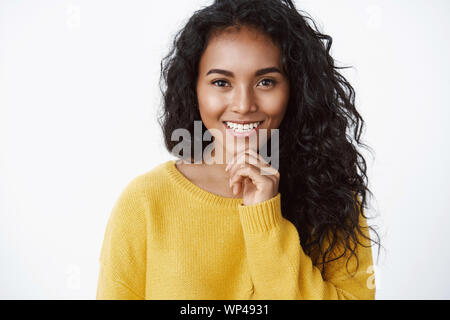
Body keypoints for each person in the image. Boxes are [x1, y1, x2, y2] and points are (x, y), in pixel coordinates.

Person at [96, 0, 381, 300]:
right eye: (221, 82)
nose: (244, 105)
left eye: (266, 82)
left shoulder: (331, 199)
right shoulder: (144, 202)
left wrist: (265, 220)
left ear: (295, 89)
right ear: (193, 89)